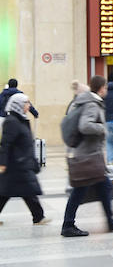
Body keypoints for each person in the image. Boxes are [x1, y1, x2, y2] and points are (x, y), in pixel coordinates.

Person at [62, 75, 113, 237]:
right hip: (88, 156)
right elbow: (85, 126)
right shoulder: (92, 104)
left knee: (104, 186)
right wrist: (102, 129)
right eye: (105, 87)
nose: (106, 90)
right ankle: (68, 225)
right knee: (79, 190)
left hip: (91, 155)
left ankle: (110, 220)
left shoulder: (88, 102)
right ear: (100, 88)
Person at [0, 93, 49, 226]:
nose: (28, 106)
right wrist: (3, 163)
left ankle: (38, 217)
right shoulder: (11, 121)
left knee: (24, 191)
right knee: (9, 192)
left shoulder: (21, 120)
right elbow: (5, 143)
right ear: (18, 105)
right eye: (26, 103)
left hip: (21, 162)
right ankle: (38, 217)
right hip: (15, 163)